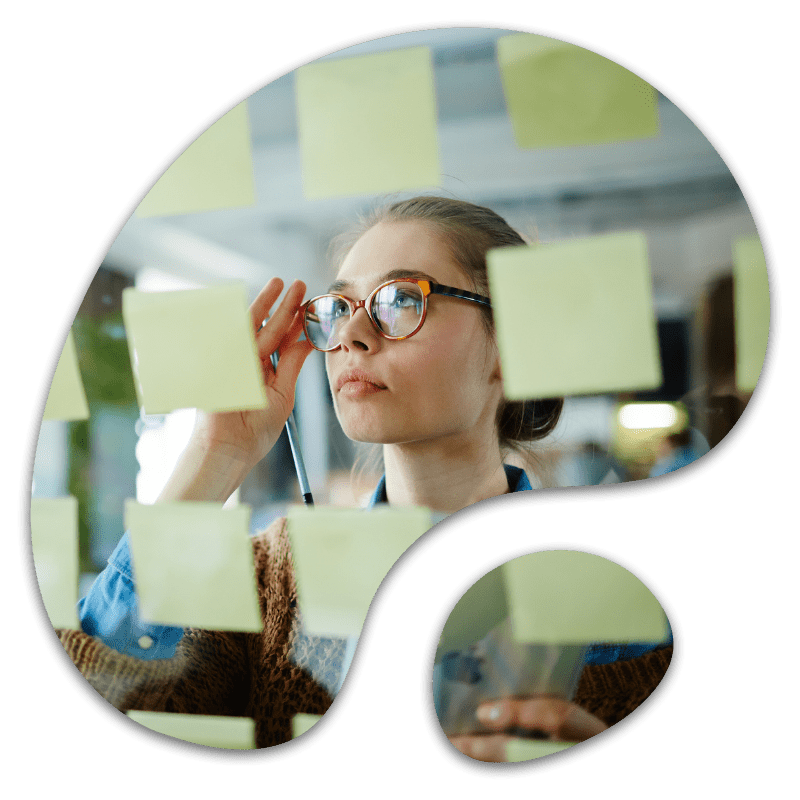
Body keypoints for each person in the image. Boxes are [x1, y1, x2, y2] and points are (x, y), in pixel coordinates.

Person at [60, 196, 669, 750]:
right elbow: (91, 711)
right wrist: (216, 455)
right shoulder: (268, 584)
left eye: (401, 300)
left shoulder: (616, 598)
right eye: (339, 307)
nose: (349, 334)